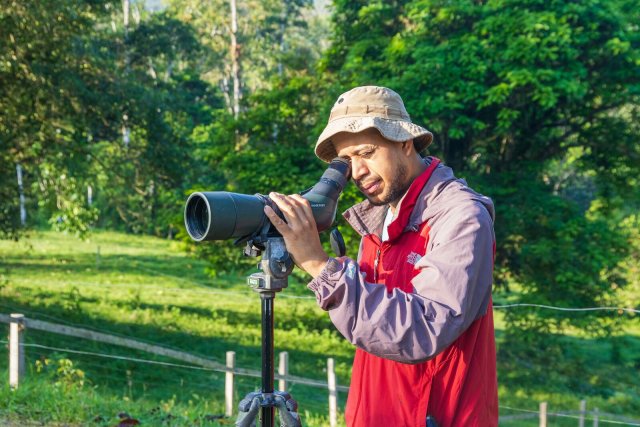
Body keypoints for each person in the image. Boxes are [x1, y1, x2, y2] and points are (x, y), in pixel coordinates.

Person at [264, 86, 498, 427]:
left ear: (405, 142)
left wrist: (318, 265)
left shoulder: (461, 218)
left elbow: (425, 329)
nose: (356, 172)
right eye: (347, 161)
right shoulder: (377, 220)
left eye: (367, 153)